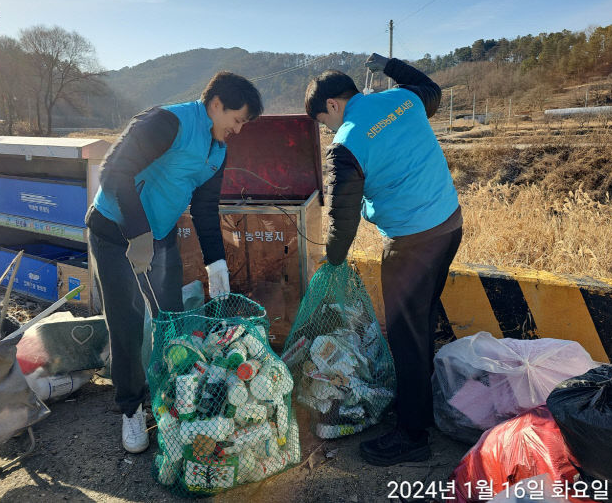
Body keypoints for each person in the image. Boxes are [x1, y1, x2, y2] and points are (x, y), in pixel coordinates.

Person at [86, 71, 263, 453]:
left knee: (171, 318)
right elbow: (114, 171)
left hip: (160, 234)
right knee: (127, 321)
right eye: (237, 120)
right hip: (116, 231)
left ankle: (171, 397)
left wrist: (217, 265)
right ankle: (131, 408)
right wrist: (137, 233)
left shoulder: (217, 149)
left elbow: (203, 208)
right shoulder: (167, 122)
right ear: (216, 104)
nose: (237, 130)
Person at [305, 54, 462, 466]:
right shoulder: (403, 100)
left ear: (334, 106)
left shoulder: (348, 143)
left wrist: (332, 263)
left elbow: (343, 218)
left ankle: (412, 435)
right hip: (449, 225)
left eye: (325, 122)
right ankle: (419, 404)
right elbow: (432, 89)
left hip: (412, 242)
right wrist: (392, 64)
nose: (329, 130)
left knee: (406, 336)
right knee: (422, 322)